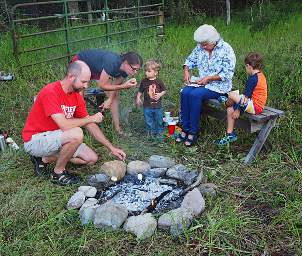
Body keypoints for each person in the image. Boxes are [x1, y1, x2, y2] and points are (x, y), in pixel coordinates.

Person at [22, 60, 126, 185]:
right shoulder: (51, 92)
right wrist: (92, 118)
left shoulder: (76, 96)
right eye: (83, 81)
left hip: (58, 137)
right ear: (71, 77)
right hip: (35, 140)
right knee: (76, 133)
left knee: (91, 158)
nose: (86, 86)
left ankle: (44, 158)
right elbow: (65, 125)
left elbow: (90, 124)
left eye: (87, 82)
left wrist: (111, 147)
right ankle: (58, 173)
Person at [176, 24, 236, 146]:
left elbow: (228, 74)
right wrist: (186, 71)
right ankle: (185, 128)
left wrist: (209, 78)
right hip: (202, 83)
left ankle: (194, 131)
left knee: (195, 95)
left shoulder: (226, 49)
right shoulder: (200, 47)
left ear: (214, 41)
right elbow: (190, 60)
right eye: (201, 44)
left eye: (205, 44)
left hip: (219, 87)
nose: (202, 47)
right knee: (185, 92)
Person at [72, 49, 143, 135]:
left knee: (114, 97)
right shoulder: (112, 63)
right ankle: (78, 125)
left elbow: (114, 87)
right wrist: (124, 86)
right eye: (134, 69)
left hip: (96, 70)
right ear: (126, 63)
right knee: (79, 97)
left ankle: (118, 129)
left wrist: (109, 99)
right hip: (80, 63)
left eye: (137, 70)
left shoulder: (126, 70)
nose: (135, 72)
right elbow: (102, 85)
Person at [215, 52, 267, 145]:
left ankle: (226, 102)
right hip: (254, 105)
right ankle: (230, 134)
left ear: (248, 66)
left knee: (231, 94)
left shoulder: (252, 79)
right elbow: (247, 96)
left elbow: (246, 98)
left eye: (245, 67)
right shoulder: (260, 75)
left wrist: (238, 110)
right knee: (230, 108)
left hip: (255, 106)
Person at [136, 60, 166, 138]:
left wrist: (160, 94)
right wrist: (138, 97)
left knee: (159, 120)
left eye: (149, 71)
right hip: (147, 106)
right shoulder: (144, 81)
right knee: (148, 120)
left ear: (155, 72)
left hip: (157, 106)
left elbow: (164, 90)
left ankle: (159, 133)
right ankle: (151, 133)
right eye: (145, 71)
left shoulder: (159, 81)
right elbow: (140, 91)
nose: (146, 73)